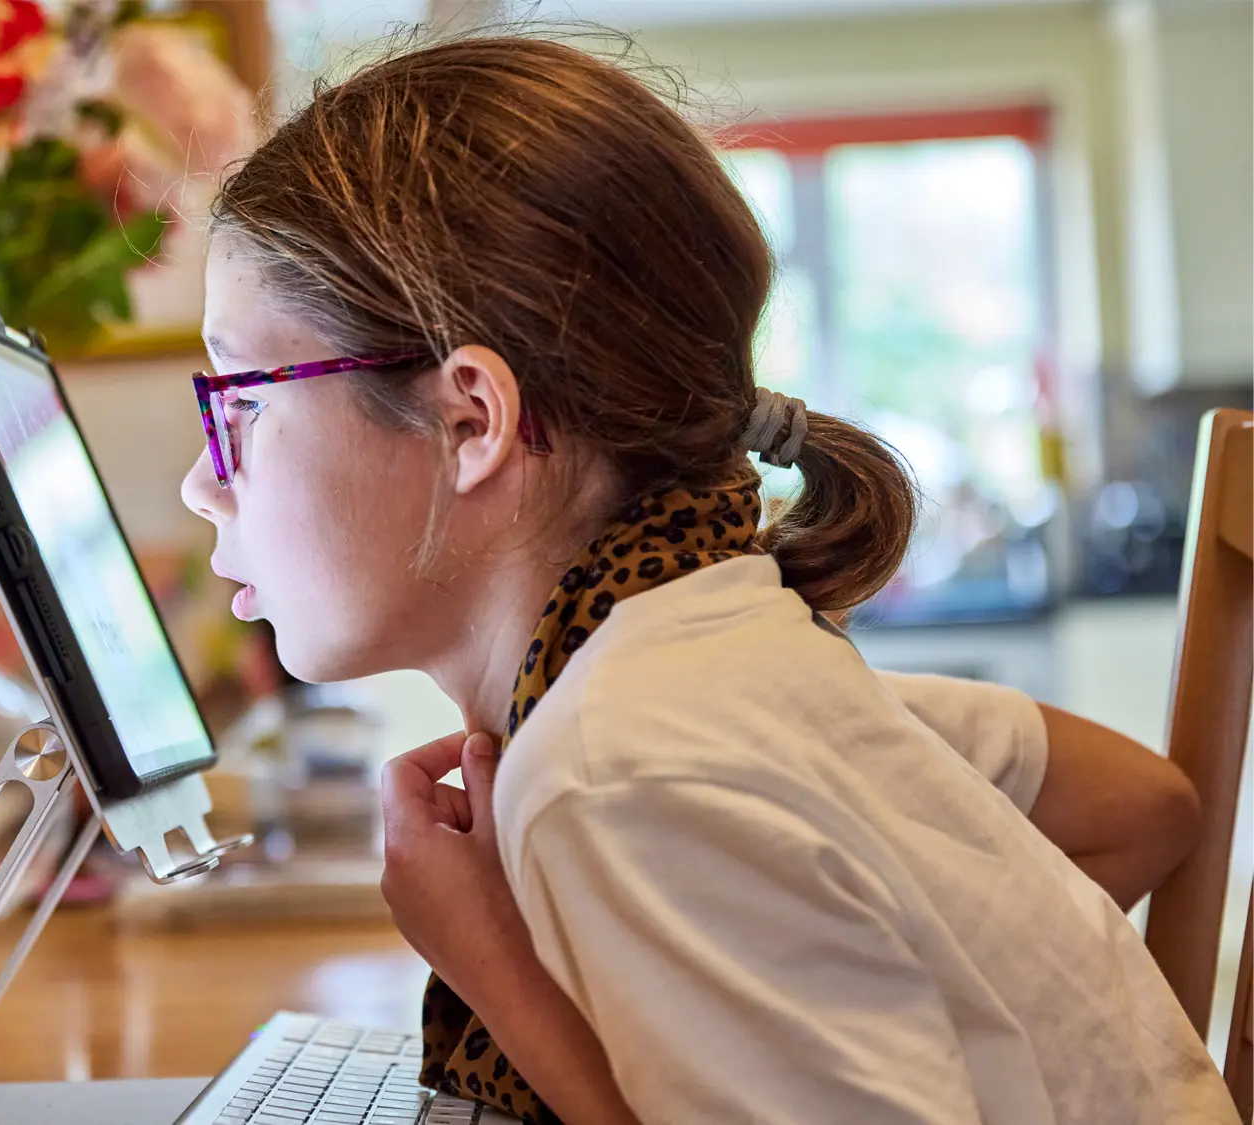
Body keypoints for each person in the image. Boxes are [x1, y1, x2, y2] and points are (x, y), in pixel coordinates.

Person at [178, 32, 1232, 1125]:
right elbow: (1144, 805)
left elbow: (1147, 811)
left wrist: (504, 975)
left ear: (469, 421)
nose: (200, 485)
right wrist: (953, 991)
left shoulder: (626, 767)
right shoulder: (726, 667)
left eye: (242, 405)